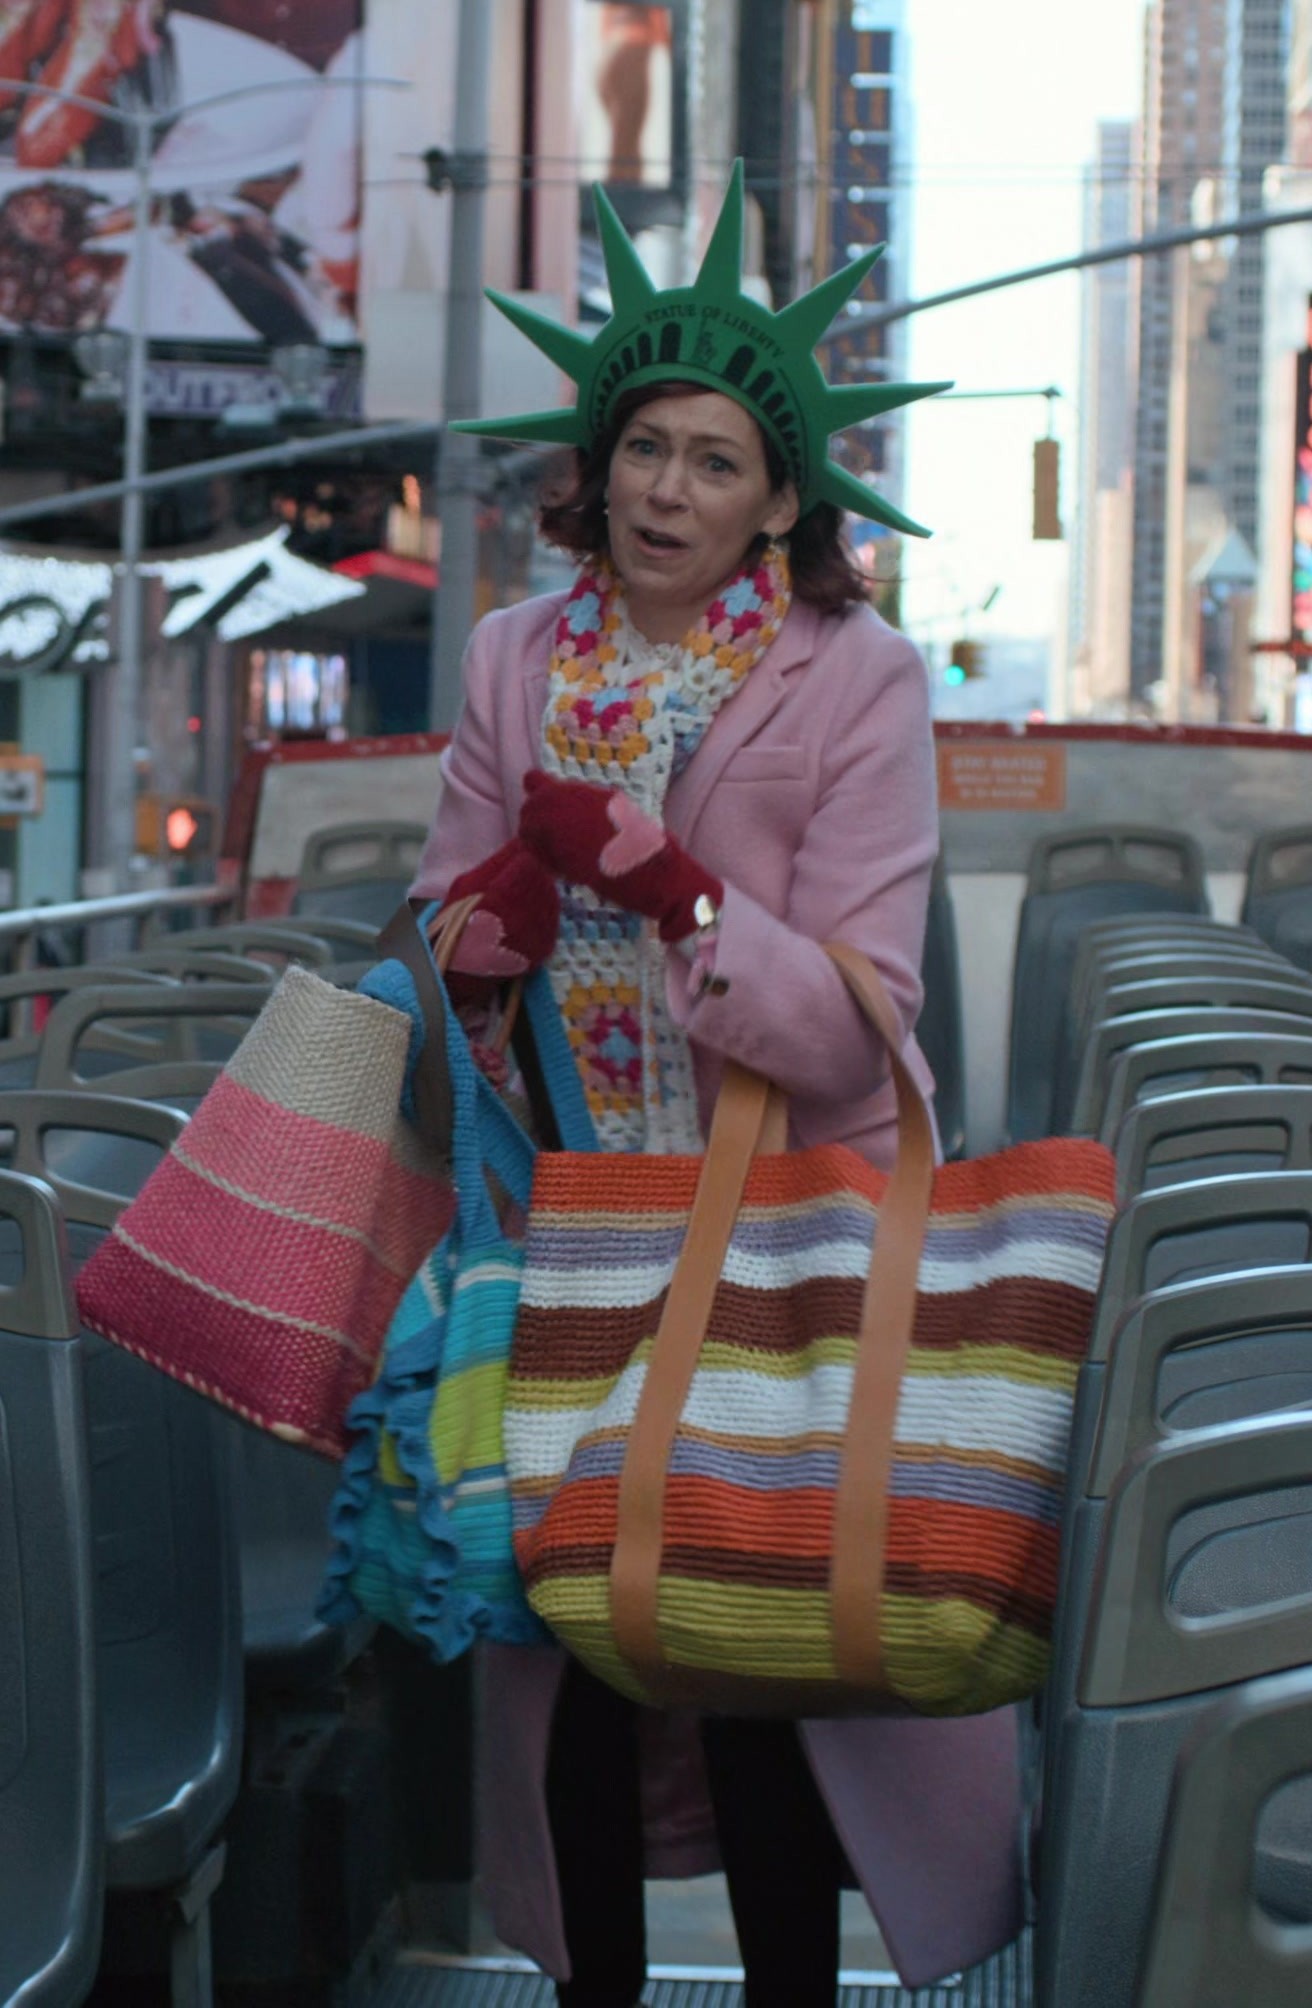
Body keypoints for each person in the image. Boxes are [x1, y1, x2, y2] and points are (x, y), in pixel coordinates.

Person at [410, 164, 1023, 2008]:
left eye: (717, 461)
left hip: (780, 1256)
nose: (669, 491)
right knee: (580, 1658)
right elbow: (441, 953)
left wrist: (672, 883)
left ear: (781, 501)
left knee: (760, 1658)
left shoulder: (860, 681)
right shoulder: (516, 657)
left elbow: (858, 1025)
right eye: (646, 450)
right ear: (594, 465)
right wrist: (507, 901)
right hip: (561, 1227)